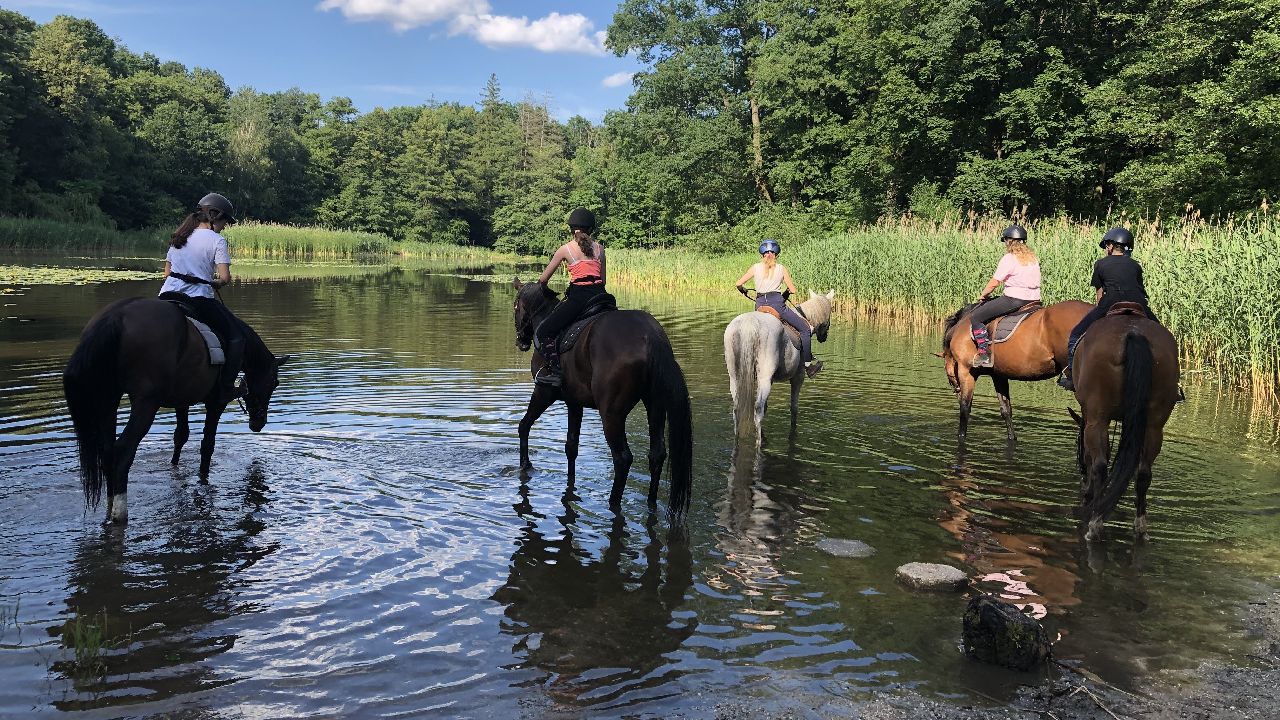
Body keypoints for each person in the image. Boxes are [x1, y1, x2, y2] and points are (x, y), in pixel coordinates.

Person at [157, 192, 248, 405]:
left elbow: (166, 274)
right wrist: (214, 283)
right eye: (225, 221)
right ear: (215, 216)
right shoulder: (217, 240)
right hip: (197, 299)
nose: (225, 226)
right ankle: (226, 388)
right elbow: (225, 278)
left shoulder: (179, 236)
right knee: (237, 337)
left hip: (166, 296)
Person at [1057, 226, 1160, 391]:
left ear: (1111, 246)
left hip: (1110, 303)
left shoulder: (1101, 264)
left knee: (1075, 335)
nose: (1106, 249)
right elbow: (1140, 289)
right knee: (1163, 334)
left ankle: (1070, 374)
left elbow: (1099, 295)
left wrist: (1102, 309)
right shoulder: (1135, 265)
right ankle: (1174, 383)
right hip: (1138, 304)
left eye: (1106, 246)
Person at [533, 208, 607, 388]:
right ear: (591, 229)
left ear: (572, 228)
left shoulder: (565, 249)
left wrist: (542, 288)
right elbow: (603, 281)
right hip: (601, 297)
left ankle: (556, 373)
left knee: (544, 331)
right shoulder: (600, 249)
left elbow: (543, 279)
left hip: (579, 298)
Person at [734, 239, 823, 378]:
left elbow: (738, 283)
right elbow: (792, 290)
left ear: (762, 254)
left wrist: (743, 290)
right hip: (777, 304)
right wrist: (786, 293)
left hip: (760, 306)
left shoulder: (755, 267)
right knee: (805, 329)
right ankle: (808, 366)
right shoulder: (781, 269)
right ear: (776, 254)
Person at [968, 225, 1042, 368]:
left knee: (976, 317)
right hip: (1034, 300)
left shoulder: (1009, 258)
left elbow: (995, 281)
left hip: (1014, 300)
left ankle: (983, 354)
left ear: (1008, 241)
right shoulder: (1033, 258)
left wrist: (984, 294)